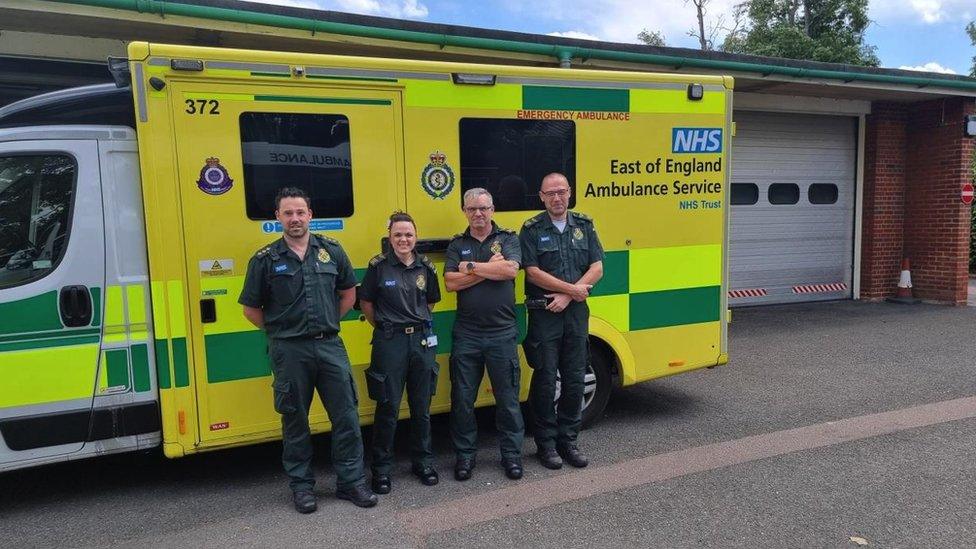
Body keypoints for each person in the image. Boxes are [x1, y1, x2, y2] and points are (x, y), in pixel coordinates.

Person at [238, 187, 377, 513]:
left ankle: (351, 482)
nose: (295, 218)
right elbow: (250, 308)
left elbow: (348, 293)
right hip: (289, 352)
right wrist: (282, 331)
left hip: (329, 346)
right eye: (288, 213)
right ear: (277, 218)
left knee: (346, 417)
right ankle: (302, 487)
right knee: (295, 420)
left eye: (300, 212)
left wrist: (327, 322)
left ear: (310, 215)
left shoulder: (331, 250)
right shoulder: (265, 260)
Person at [519, 173, 604, 470]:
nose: (557, 198)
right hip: (545, 316)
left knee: (574, 379)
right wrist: (572, 290)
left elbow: (597, 267)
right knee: (544, 381)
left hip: (576, 315)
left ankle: (569, 441)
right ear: (541, 197)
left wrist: (568, 296)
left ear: (569, 193)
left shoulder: (584, 225)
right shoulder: (531, 229)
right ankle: (546, 445)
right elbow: (531, 272)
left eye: (561, 192)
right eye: (550, 193)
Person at [444, 188, 525, 481]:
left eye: (483, 208)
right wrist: (488, 268)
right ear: (464, 211)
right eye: (472, 209)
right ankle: (465, 457)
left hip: (502, 333)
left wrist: (470, 268)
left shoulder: (508, 239)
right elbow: (450, 283)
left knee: (508, 399)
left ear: (492, 209)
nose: (478, 214)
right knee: (463, 399)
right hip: (467, 334)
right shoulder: (457, 243)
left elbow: (510, 271)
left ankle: (512, 456)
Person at [359, 211, 441, 495]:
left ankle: (424, 463)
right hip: (389, 342)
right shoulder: (378, 267)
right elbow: (366, 303)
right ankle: (381, 471)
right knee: (388, 408)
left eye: (408, 234)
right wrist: (386, 326)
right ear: (390, 237)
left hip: (420, 341)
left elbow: (430, 302)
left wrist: (414, 324)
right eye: (398, 235)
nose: (403, 239)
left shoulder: (426, 267)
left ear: (415, 236)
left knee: (422, 408)